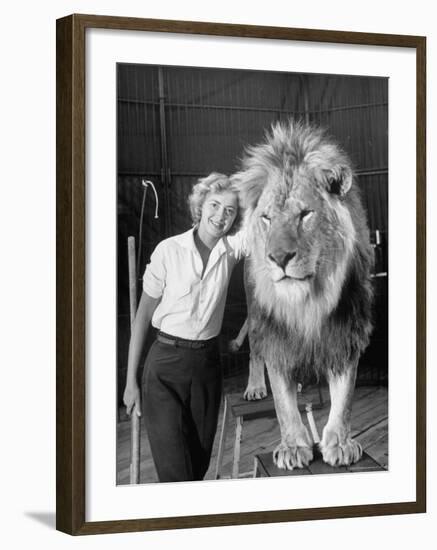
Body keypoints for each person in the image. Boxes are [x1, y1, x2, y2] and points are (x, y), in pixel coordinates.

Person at [123, 173, 245, 482]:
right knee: (176, 472)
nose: (220, 216)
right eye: (215, 205)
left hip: (207, 367)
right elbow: (141, 318)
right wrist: (130, 382)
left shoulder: (231, 251)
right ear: (201, 205)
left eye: (230, 210)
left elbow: (264, 222)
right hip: (165, 367)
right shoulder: (168, 250)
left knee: (197, 465)